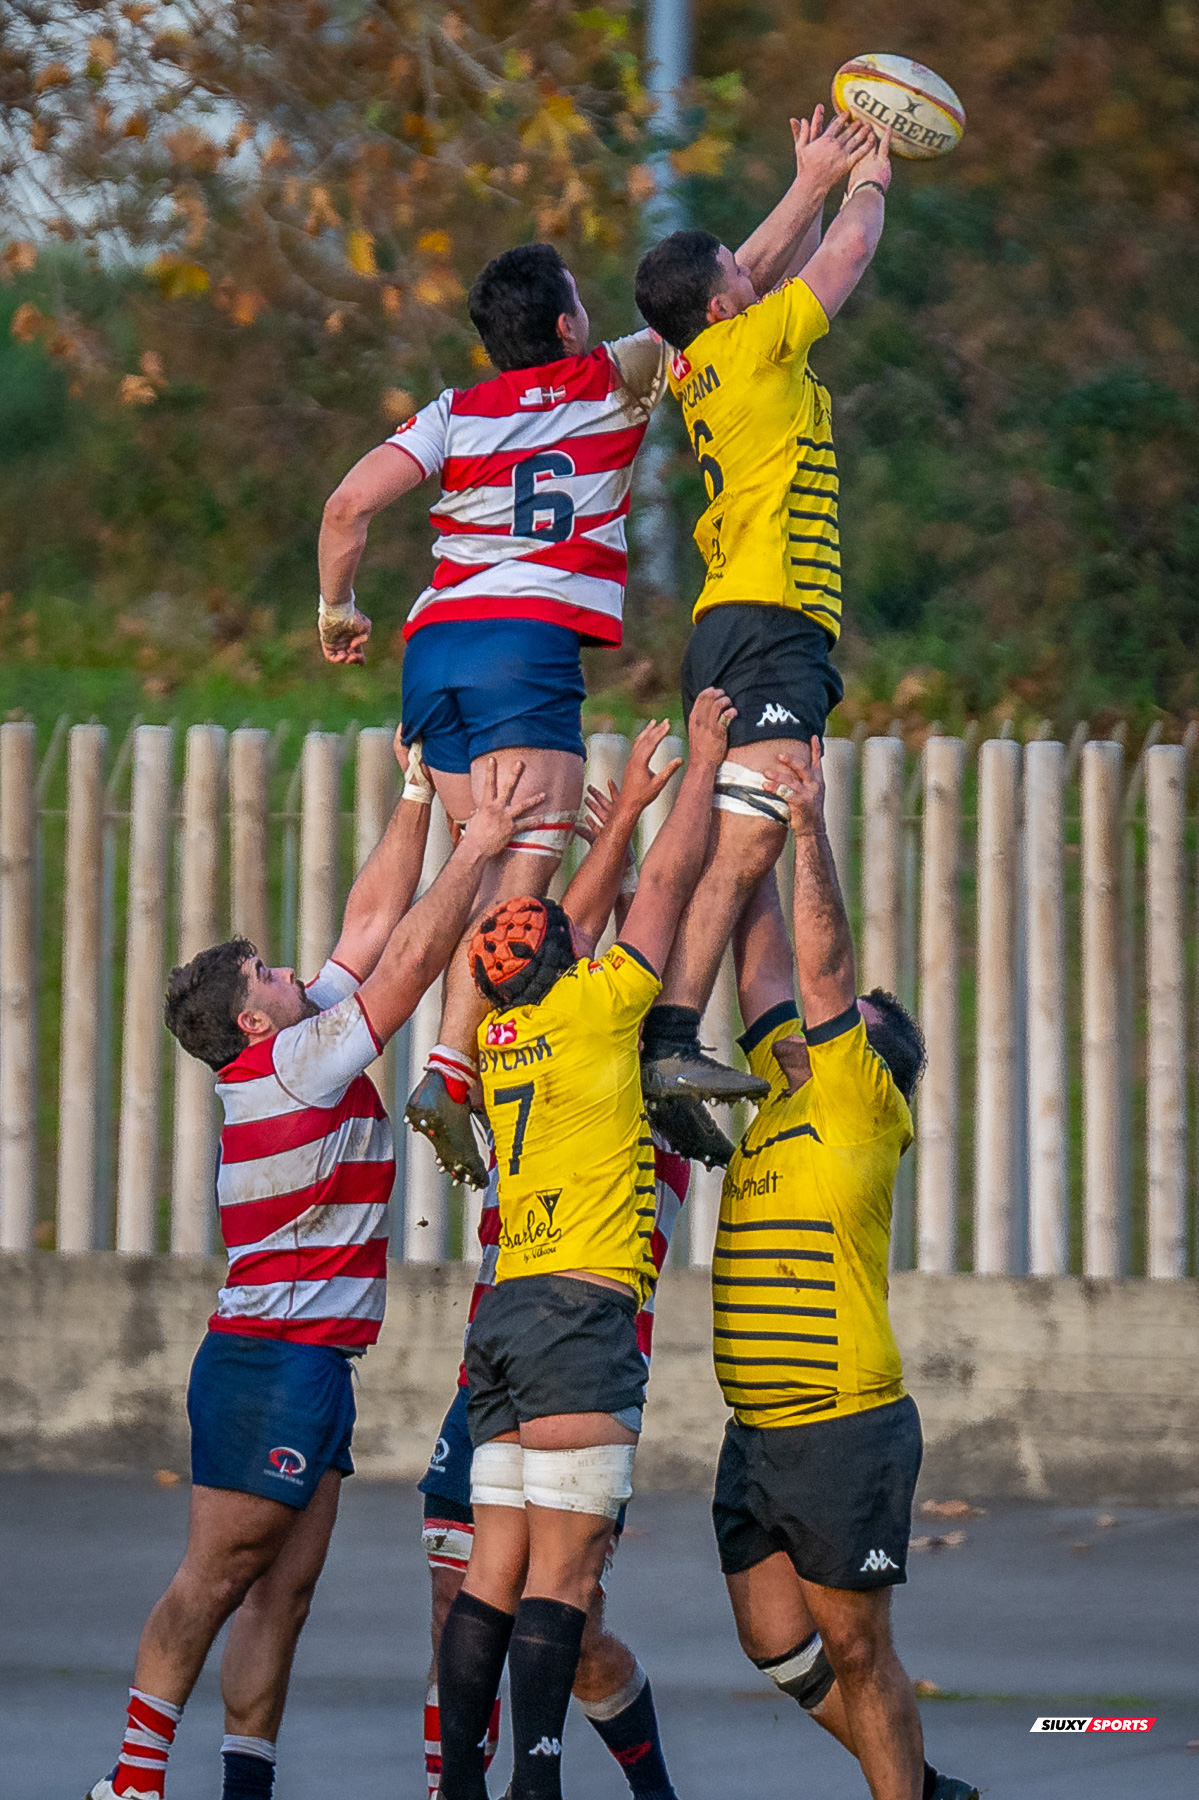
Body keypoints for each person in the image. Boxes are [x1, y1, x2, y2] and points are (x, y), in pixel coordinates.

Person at [316, 107, 875, 1189]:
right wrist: (812, 187)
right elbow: (728, 299)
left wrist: (335, 610)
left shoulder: (451, 411)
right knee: (522, 873)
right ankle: (448, 1067)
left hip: (432, 648)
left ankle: (443, 1059)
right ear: (571, 329)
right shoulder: (610, 383)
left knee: (470, 858)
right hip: (524, 649)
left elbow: (346, 508)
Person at [86, 750, 540, 1800]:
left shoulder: (289, 1047)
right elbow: (410, 962)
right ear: (254, 1019)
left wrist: (420, 796)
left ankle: (245, 1784)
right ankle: (132, 1784)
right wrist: (477, 850)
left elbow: (369, 925)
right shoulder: (296, 1059)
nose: (298, 974)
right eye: (275, 978)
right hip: (266, 1365)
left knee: (280, 1596)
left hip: (316, 1366)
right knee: (214, 1578)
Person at [434, 687, 733, 1800]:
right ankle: (537, 1782)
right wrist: (695, 770)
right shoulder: (604, 1008)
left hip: (504, 1315)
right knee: (563, 1577)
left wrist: (620, 816)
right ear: (574, 952)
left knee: (491, 1574)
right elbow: (657, 889)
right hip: (579, 1315)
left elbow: (590, 906)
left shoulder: (503, 1032)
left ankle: (467, 1784)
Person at [709, 738, 978, 1800]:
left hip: (837, 1420)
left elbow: (816, 969)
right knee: (775, 1644)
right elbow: (768, 956)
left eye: (837, 1024)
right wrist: (746, 821)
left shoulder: (862, 1100)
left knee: (858, 1651)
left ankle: (899, 1791)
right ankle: (920, 1781)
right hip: (757, 1433)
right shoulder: (784, 1089)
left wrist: (811, 824)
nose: (807, 1024)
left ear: (872, 1055)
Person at [631, 120, 894, 1160]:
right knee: (752, 838)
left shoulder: (704, 355)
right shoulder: (745, 340)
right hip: (770, 619)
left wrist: (807, 179)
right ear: (720, 305)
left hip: (737, 617)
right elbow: (841, 261)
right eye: (740, 273)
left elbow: (758, 264)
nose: (755, 268)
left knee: (740, 839)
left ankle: (675, 1036)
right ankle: (667, 1040)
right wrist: (869, 183)